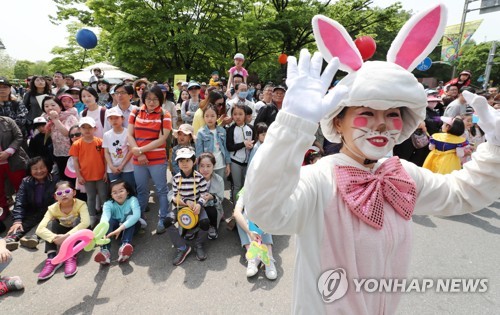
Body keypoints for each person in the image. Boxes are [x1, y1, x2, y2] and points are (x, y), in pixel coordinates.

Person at [245, 6, 500, 313]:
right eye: (366, 113)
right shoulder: (319, 179)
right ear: (338, 122)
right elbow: (265, 211)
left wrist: (496, 150)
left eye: (392, 114)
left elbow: (460, 194)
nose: (381, 124)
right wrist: (292, 127)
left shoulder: (404, 173)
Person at [128, 86, 171, 233]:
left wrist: (141, 150)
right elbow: (129, 135)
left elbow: (163, 138)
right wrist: (139, 153)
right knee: (142, 190)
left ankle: (163, 218)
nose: (151, 102)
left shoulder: (164, 114)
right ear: (143, 99)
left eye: (155, 99)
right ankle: (139, 220)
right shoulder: (135, 112)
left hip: (157, 159)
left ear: (161, 99)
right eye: (148, 99)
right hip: (139, 159)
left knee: (161, 190)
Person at [36, 181, 90, 280]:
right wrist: (54, 238)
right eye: (59, 193)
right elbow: (39, 229)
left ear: (74, 192)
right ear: (55, 197)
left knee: (79, 220)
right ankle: (52, 259)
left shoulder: (81, 204)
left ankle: (70, 255)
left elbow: (86, 223)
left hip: (79, 234)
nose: (64, 194)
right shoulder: (52, 208)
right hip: (62, 233)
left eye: (67, 191)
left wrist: (66, 237)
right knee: (50, 224)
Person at [167, 147, 209, 265]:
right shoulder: (175, 179)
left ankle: (199, 245)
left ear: (194, 161)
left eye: (187, 160)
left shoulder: (199, 177)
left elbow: (204, 194)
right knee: (167, 221)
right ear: (177, 163)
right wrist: (186, 202)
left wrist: (199, 204)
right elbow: (175, 196)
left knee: (205, 222)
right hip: (182, 207)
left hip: (197, 207)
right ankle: (182, 247)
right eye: (181, 161)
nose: (184, 164)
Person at [5, 157, 57, 251]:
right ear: (30, 170)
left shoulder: (55, 179)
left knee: (48, 223)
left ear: (48, 167)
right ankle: (12, 239)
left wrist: (54, 212)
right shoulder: (26, 181)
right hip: (32, 212)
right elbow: (19, 201)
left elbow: (58, 201)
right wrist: (17, 220)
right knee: (21, 224)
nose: (39, 171)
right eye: (35, 169)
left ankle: (34, 238)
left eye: (42, 167)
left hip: (50, 212)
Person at [69, 117, 107, 226]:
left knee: (103, 195)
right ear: (80, 129)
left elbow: (105, 158)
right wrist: (79, 175)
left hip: (100, 175)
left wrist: (105, 172)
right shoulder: (77, 144)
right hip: (87, 176)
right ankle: (92, 217)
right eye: (84, 127)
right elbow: (75, 161)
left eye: (90, 127)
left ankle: (106, 216)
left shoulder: (100, 142)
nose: (87, 130)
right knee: (91, 197)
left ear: (95, 129)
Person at [234, 188, 277, 280]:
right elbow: (236, 213)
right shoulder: (245, 192)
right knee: (239, 219)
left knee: (266, 218)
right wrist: (250, 233)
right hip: (248, 224)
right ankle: (253, 256)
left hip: (263, 222)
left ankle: (268, 258)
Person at [94, 179, 140, 265]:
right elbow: (105, 218)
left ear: (128, 191)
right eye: (114, 192)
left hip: (131, 227)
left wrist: (120, 229)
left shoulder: (133, 199)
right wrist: (102, 231)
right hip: (114, 231)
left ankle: (124, 247)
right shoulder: (108, 203)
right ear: (111, 195)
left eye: (121, 191)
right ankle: (105, 252)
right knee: (108, 221)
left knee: (130, 218)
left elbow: (136, 216)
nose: (118, 194)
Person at [0, 116, 29, 233]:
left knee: (20, 187)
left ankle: (23, 210)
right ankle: (5, 209)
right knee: (0, 190)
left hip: (14, 161)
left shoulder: (7, 121)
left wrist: (8, 151)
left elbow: (19, 136)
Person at [42, 96, 78, 181]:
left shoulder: (70, 117)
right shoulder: (49, 120)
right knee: (63, 178)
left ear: (60, 107)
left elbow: (67, 134)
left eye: (53, 105)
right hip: (58, 153)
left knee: (74, 178)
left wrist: (56, 120)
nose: (50, 108)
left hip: (71, 154)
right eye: (46, 106)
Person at [195, 104, 231, 180]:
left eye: (212, 116)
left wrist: (228, 164)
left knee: (219, 185)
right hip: (206, 166)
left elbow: (225, 148)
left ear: (217, 117)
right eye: (207, 116)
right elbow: (199, 152)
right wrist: (199, 167)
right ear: (203, 118)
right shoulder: (201, 132)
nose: (209, 119)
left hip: (220, 164)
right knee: (206, 187)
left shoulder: (222, 131)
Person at [226, 104, 253, 203]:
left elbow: (254, 142)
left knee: (246, 186)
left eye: (240, 114)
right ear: (232, 116)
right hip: (235, 162)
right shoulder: (231, 130)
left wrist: (251, 145)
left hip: (248, 162)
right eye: (235, 114)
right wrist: (243, 144)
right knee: (237, 186)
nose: (237, 116)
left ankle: (244, 207)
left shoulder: (250, 128)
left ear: (245, 115)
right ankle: (235, 207)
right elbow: (229, 147)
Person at [103, 107, 135, 188]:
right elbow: (106, 152)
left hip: (128, 168)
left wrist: (121, 166)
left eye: (116, 118)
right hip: (112, 169)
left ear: (123, 118)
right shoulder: (106, 135)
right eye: (111, 118)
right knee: (115, 190)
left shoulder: (128, 132)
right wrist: (110, 166)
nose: (114, 120)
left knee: (130, 190)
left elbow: (130, 151)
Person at [197, 152, 224, 240]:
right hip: (196, 206)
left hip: (212, 206)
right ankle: (192, 227)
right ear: (198, 166)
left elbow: (220, 199)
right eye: (202, 166)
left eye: (208, 166)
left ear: (213, 166)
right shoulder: (193, 178)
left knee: (211, 210)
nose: (205, 169)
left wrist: (212, 197)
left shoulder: (219, 179)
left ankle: (212, 226)